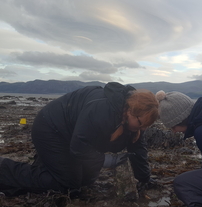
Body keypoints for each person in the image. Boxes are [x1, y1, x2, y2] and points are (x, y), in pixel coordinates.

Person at [0, 82, 159, 196]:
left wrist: (145, 178)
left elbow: (137, 148)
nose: (141, 129)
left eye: (145, 126)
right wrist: (107, 161)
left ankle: (45, 166)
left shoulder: (135, 121)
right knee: (67, 184)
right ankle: (4, 170)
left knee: (85, 179)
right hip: (51, 130)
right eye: (139, 123)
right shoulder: (103, 110)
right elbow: (79, 146)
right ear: (131, 110)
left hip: (72, 137)